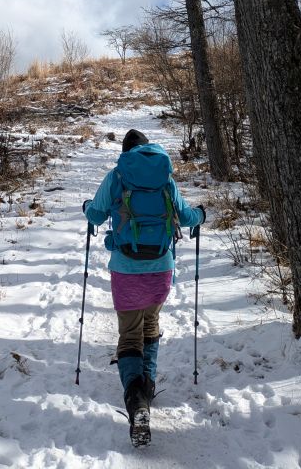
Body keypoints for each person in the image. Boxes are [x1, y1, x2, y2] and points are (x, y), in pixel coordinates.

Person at [83, 128, 205, 447]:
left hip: (126, 270)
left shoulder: (117, 176)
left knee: (129, 335)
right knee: (150, 324)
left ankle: (136, 399)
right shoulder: (164, 178)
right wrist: (201, 215)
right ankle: (147, 386)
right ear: (148, 150)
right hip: (161, 269)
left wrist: (87, 208)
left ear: (125, 153)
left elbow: (95, 214)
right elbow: (186, 215)